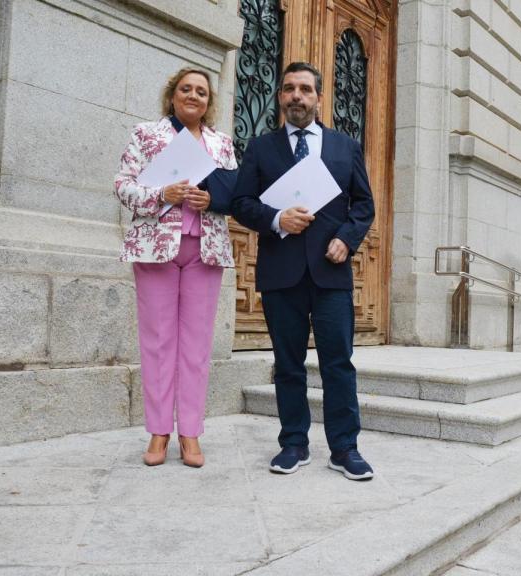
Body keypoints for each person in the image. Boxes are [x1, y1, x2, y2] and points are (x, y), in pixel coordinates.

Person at [231, 62, 376, 480]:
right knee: (288, 364)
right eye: (289, 89)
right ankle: (293, 443)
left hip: (331, 274)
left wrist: (346, 240)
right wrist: (277, 219)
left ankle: (345, 448)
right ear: (280, 96)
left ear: (318, 97)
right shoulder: (261, 148)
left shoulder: (344, 147)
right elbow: (242, 203)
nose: (297, 96)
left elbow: (363, 205)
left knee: (338, 363)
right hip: (281, 272)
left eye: (305, 90)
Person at [114, 67, 237, 467]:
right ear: (173, 96)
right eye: (186, 89)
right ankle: (158, 433)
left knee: (197, 348)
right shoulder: (147, 134)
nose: (194, 96)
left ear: (209, 102)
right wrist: (161, 193)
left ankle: (191, 434)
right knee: (158, 342)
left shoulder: (222, 143)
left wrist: (212, 200)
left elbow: (233, 193)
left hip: (206, 249)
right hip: (155, 248)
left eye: (202, 92)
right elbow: (123, 185)